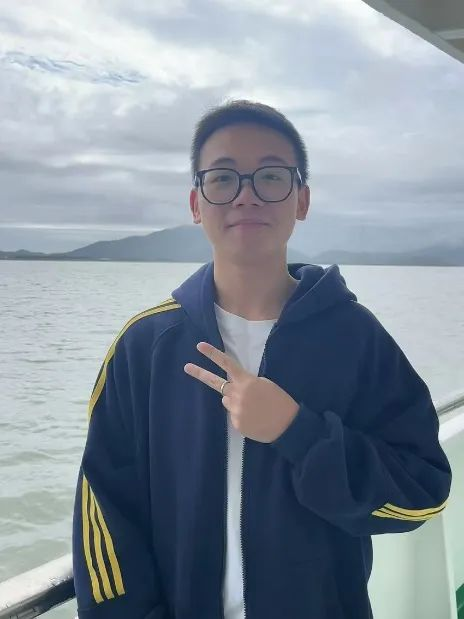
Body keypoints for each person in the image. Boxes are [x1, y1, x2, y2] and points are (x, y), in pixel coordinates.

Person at [72, 99, 452, 619]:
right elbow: (105, 514)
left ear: (302, 200)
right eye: (223, 178)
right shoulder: (145, 347)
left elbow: (422, 491)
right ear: (196, 203)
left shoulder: (354, 337)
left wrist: (299, 432)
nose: (246, 195)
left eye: (271, 176)